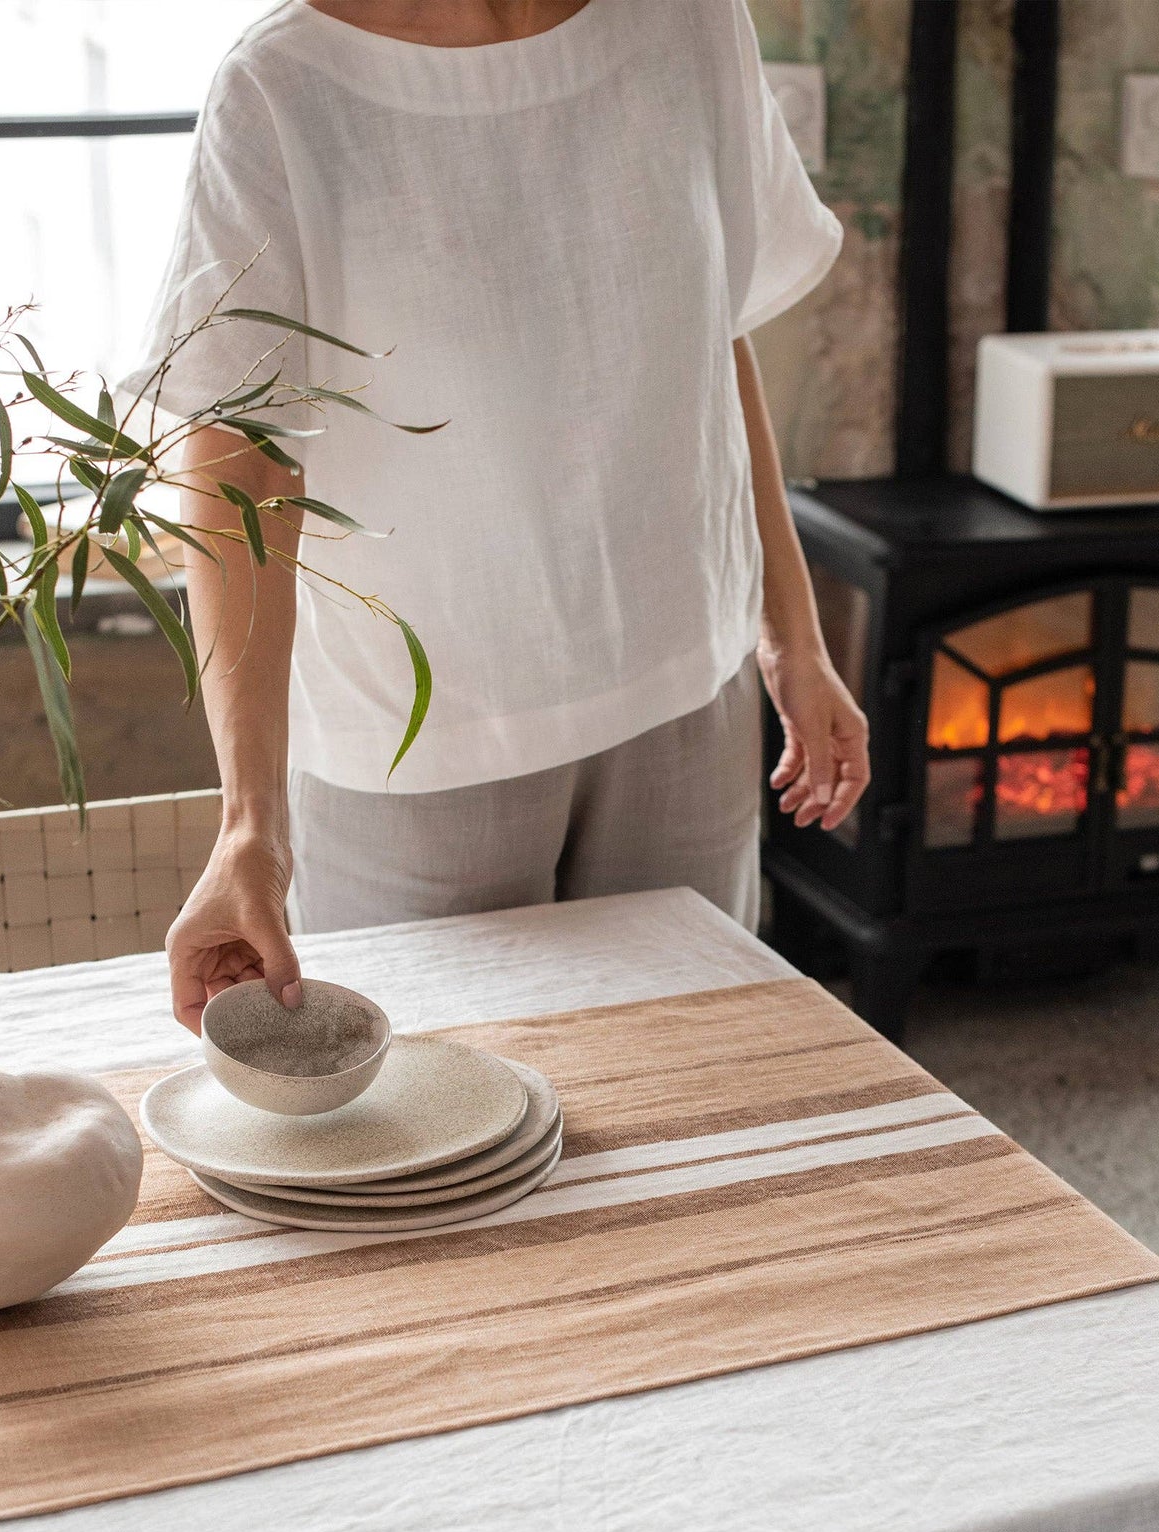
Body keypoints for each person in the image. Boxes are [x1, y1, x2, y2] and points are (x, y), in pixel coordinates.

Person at [132, 0, 869, 1034]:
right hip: (417, 748)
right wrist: (249, 823)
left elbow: (713, 334)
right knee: (432, 1108)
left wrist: (790, 638)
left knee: (695, 1079)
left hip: (683, 702)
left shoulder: (692, 21)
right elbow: (238, 470)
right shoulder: (283, 86)